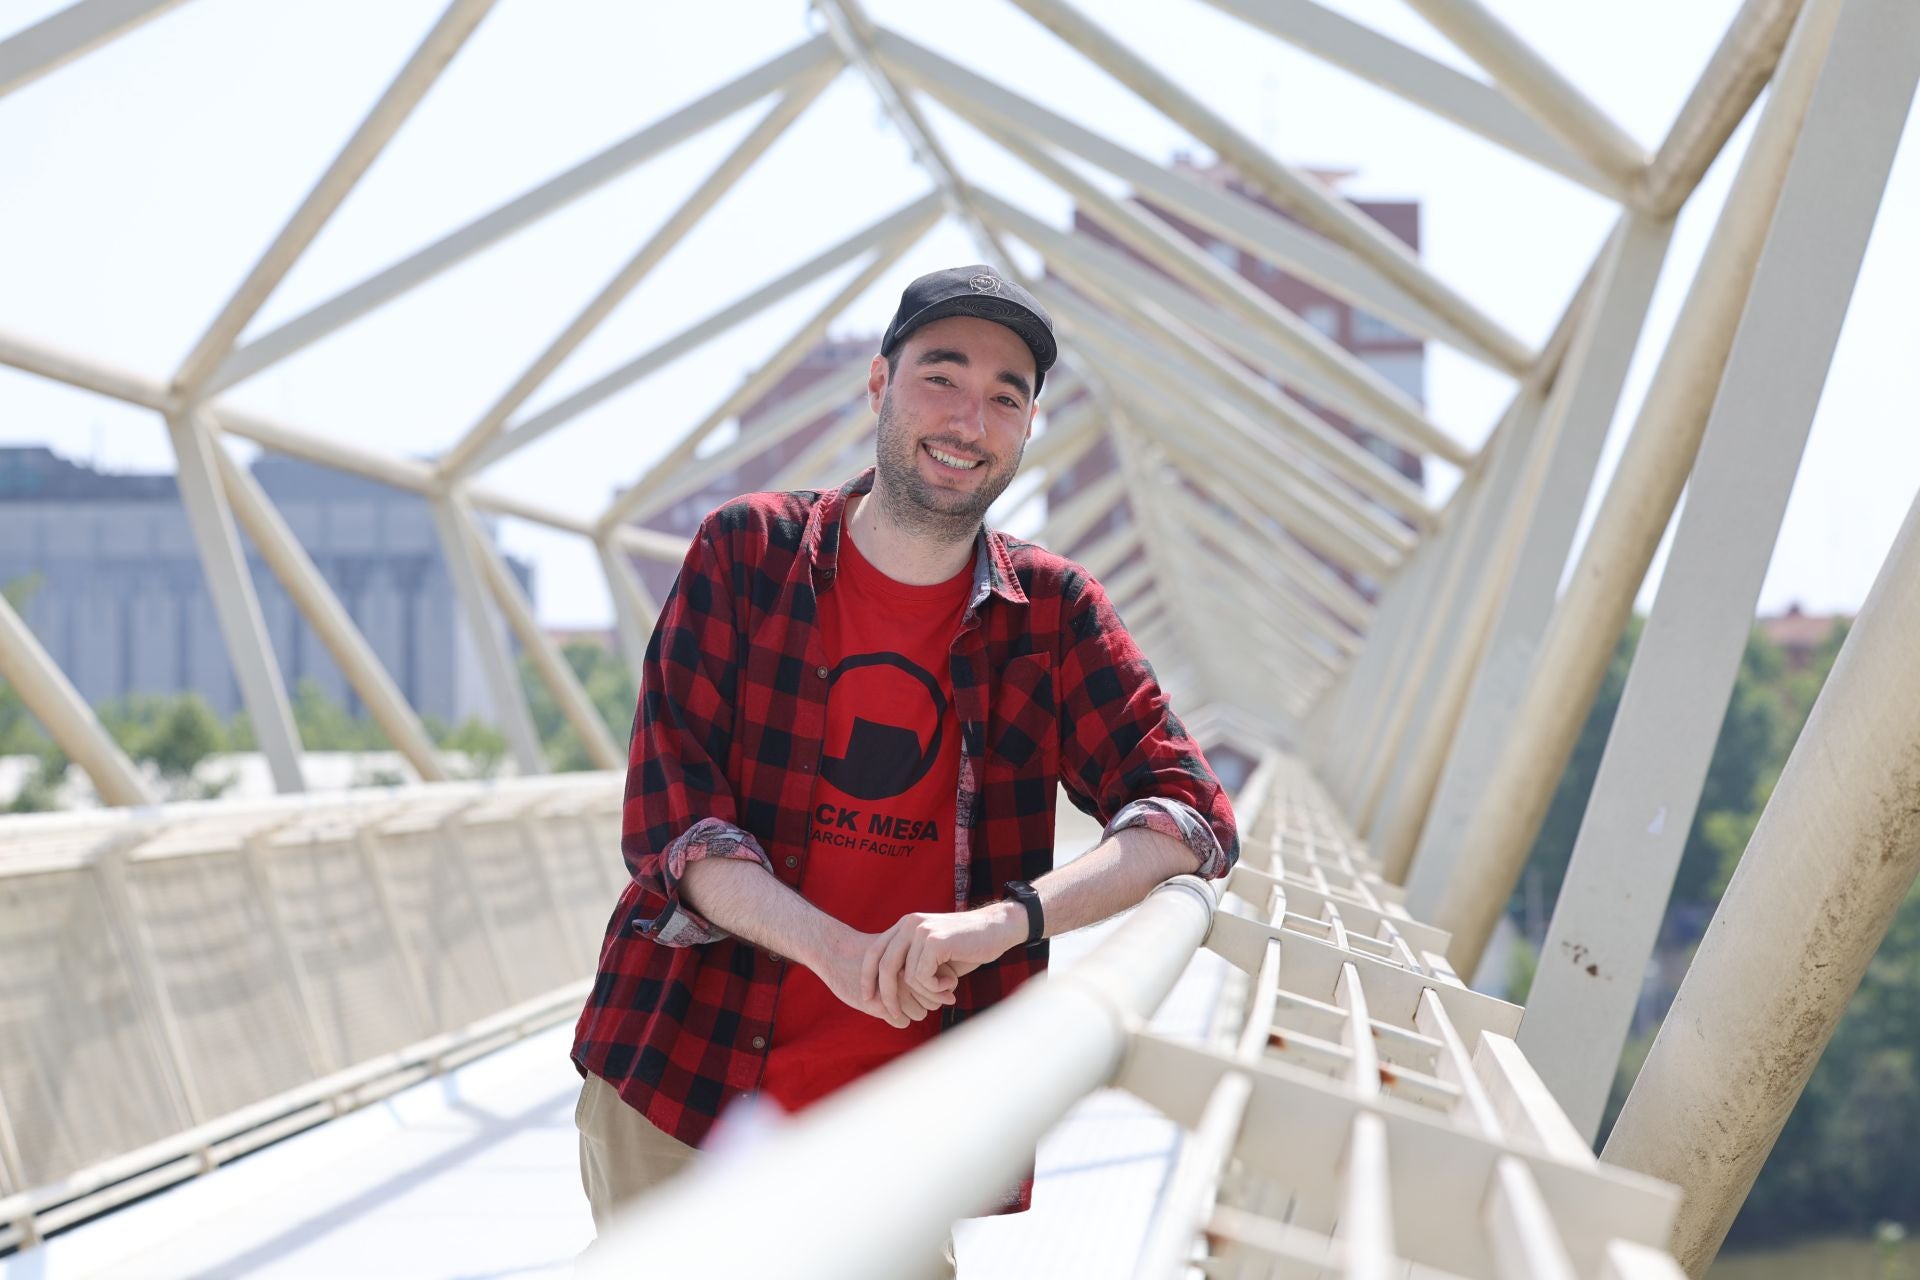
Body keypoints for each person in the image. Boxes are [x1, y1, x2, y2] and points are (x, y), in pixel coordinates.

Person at [569, 265, 1238, 1262]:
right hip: (680, 1081)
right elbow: (677, 831)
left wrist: (1008, 919)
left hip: (900, 1129)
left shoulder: (1052, 617)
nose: (971, 418)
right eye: (942, 377)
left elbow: (1191, 813)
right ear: (878, 387)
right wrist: (835, 948)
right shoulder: (746, 552)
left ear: (1027, 429)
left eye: (1006, 396)